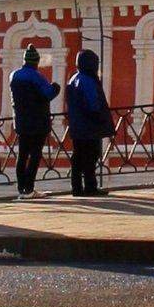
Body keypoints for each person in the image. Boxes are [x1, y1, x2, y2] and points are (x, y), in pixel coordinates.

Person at [9, 46, 59, 198]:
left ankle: (21, 188)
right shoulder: (37, 77)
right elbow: (48, 94)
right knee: (35, 155)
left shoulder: (14, 76)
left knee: (22, 155)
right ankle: (29, 189)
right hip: (37, 122)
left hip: (21, 121)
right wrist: (56, 87)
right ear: (36, 62)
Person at [64, 48, 114, 197]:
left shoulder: (74, 79)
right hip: (89, 125)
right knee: (90, 156)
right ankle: (90, 187)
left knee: (78, 157)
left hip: (77, 124)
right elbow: (93, 103)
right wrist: (100, 118)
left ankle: (77, 187)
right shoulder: (88, 80)